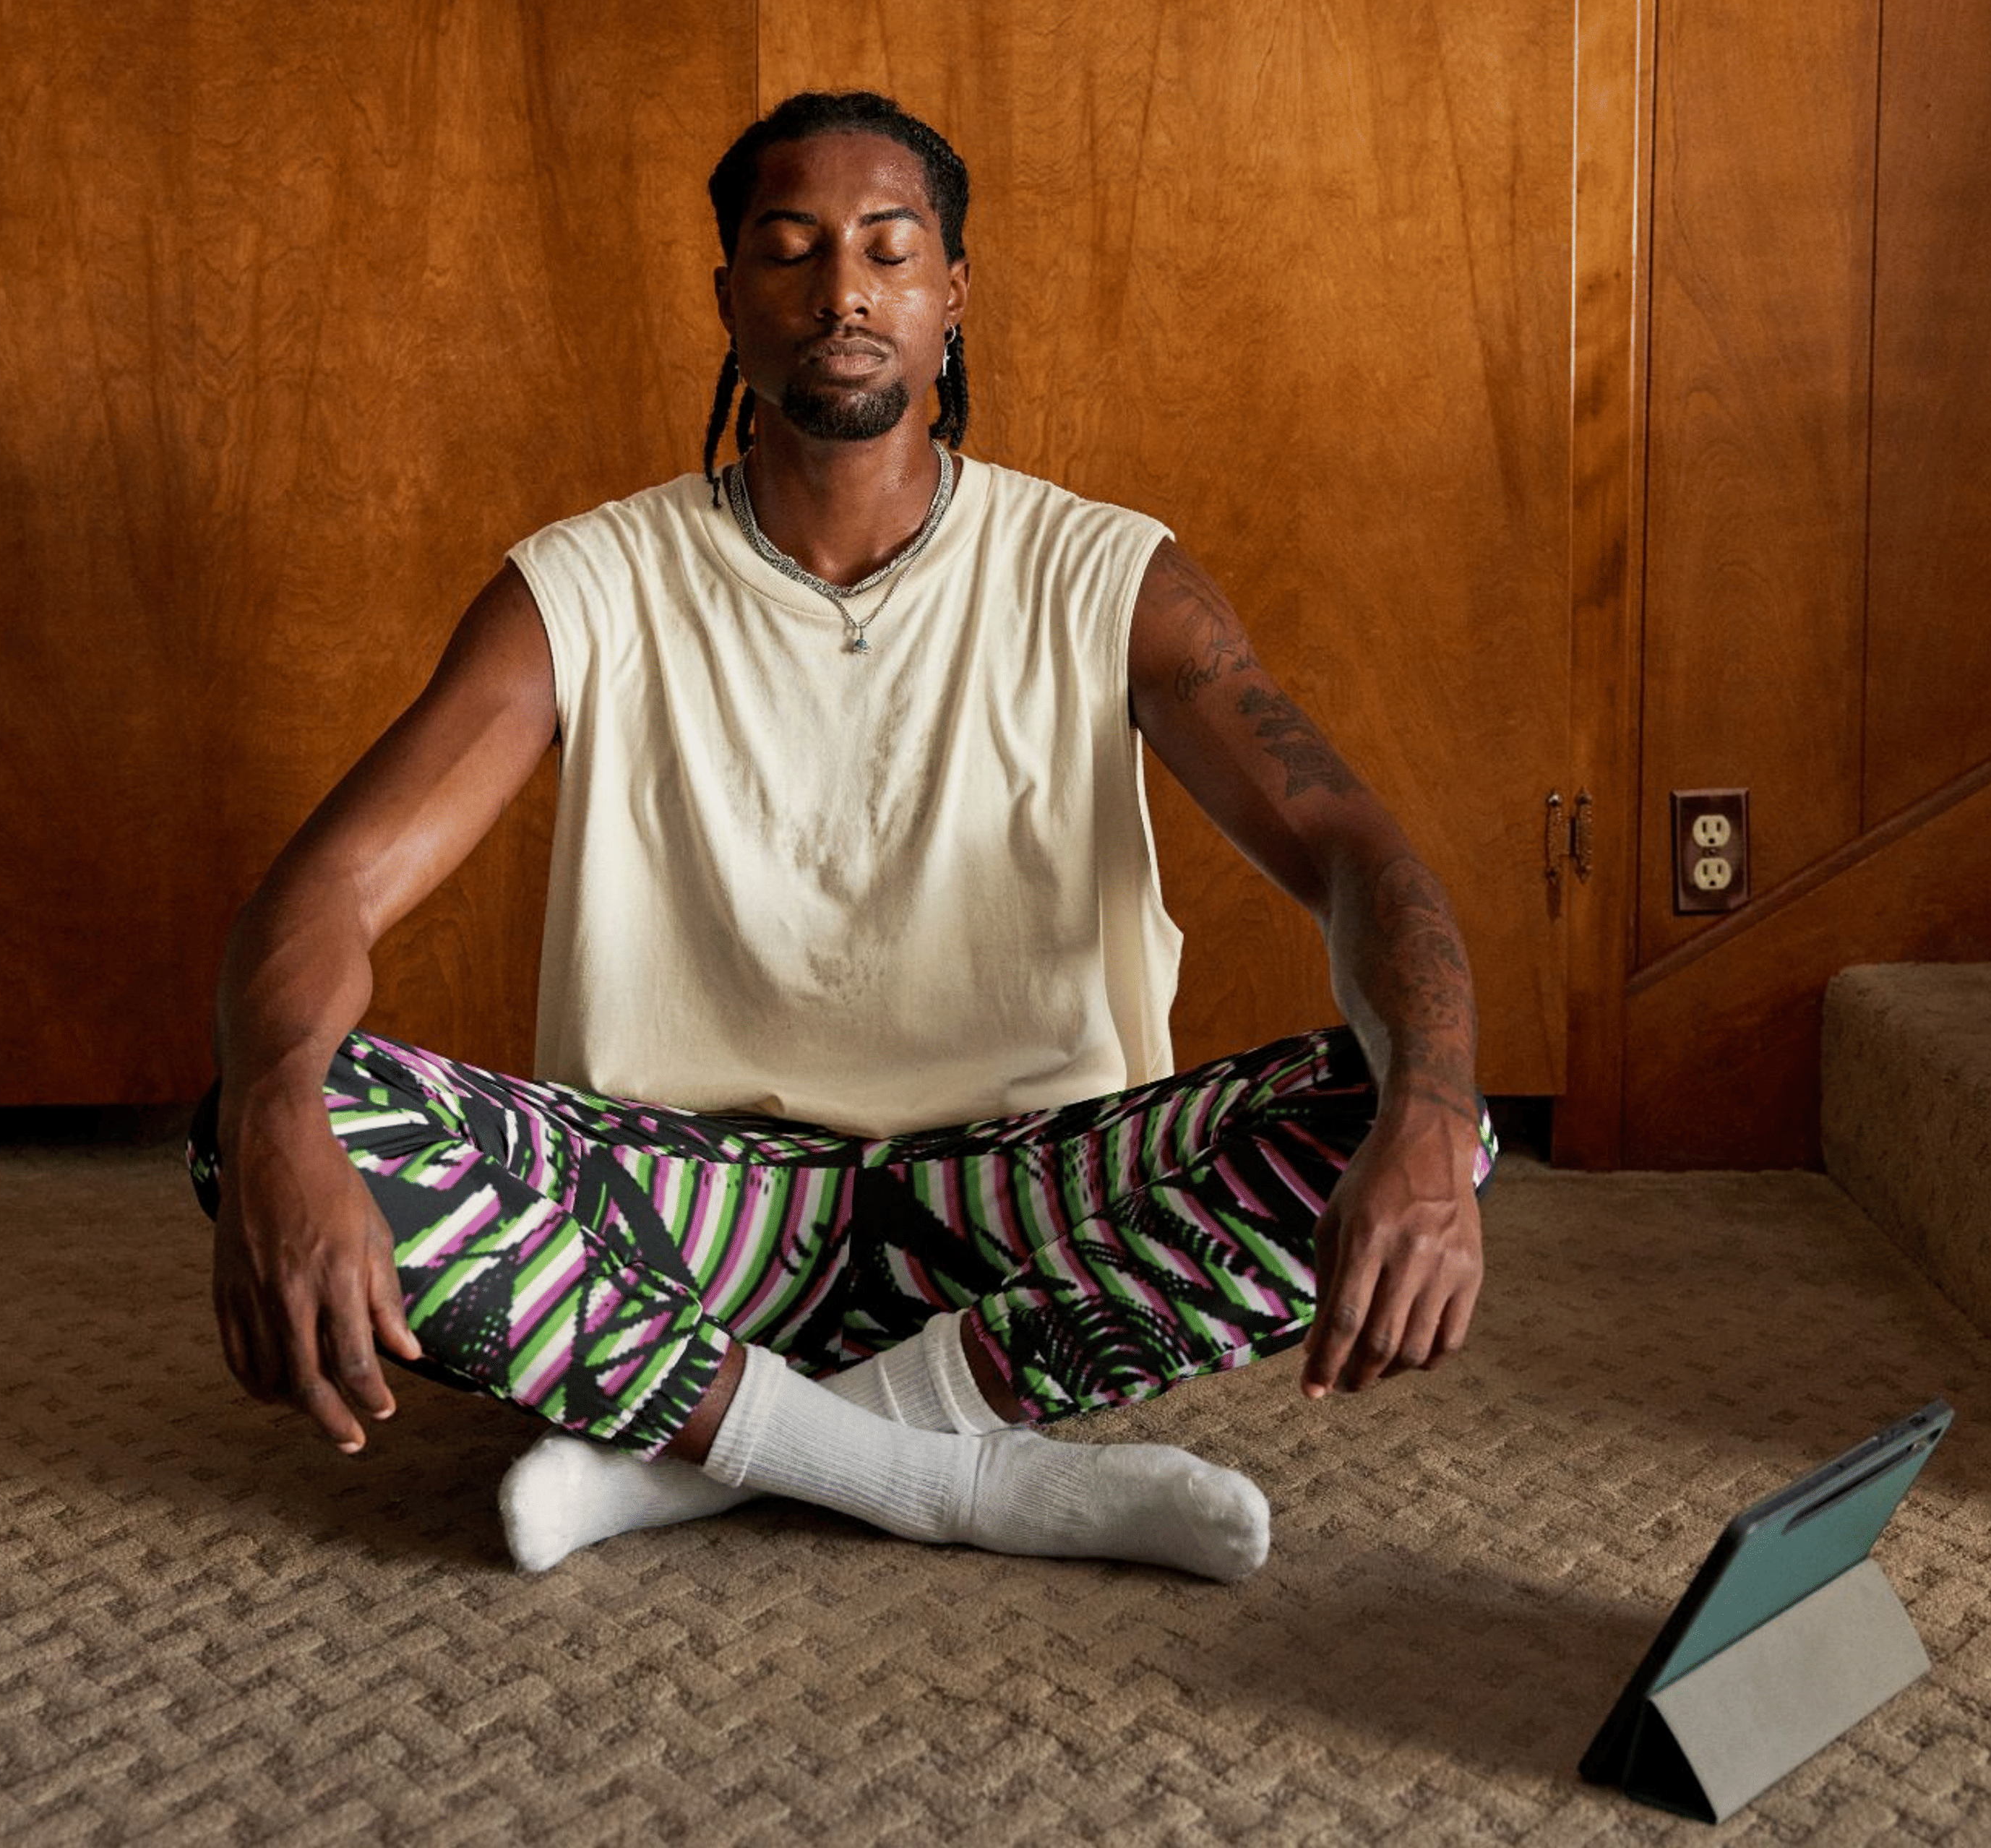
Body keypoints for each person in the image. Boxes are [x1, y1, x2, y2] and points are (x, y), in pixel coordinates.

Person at [192, 90, 1495, 1583]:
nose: (842, 291)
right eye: (791, 250)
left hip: (1023, 1207)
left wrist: (1431, 1117)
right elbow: (330, 890)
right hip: (685, 1218)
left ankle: (707, 1455)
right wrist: (281, 1101)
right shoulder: (588, 582)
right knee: (272, 1100)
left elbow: (1358, 856)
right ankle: (942, 1469)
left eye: (888, 249)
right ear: (730, 297)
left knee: (1425, 1101)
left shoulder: (1105, 573)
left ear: (952, 293)